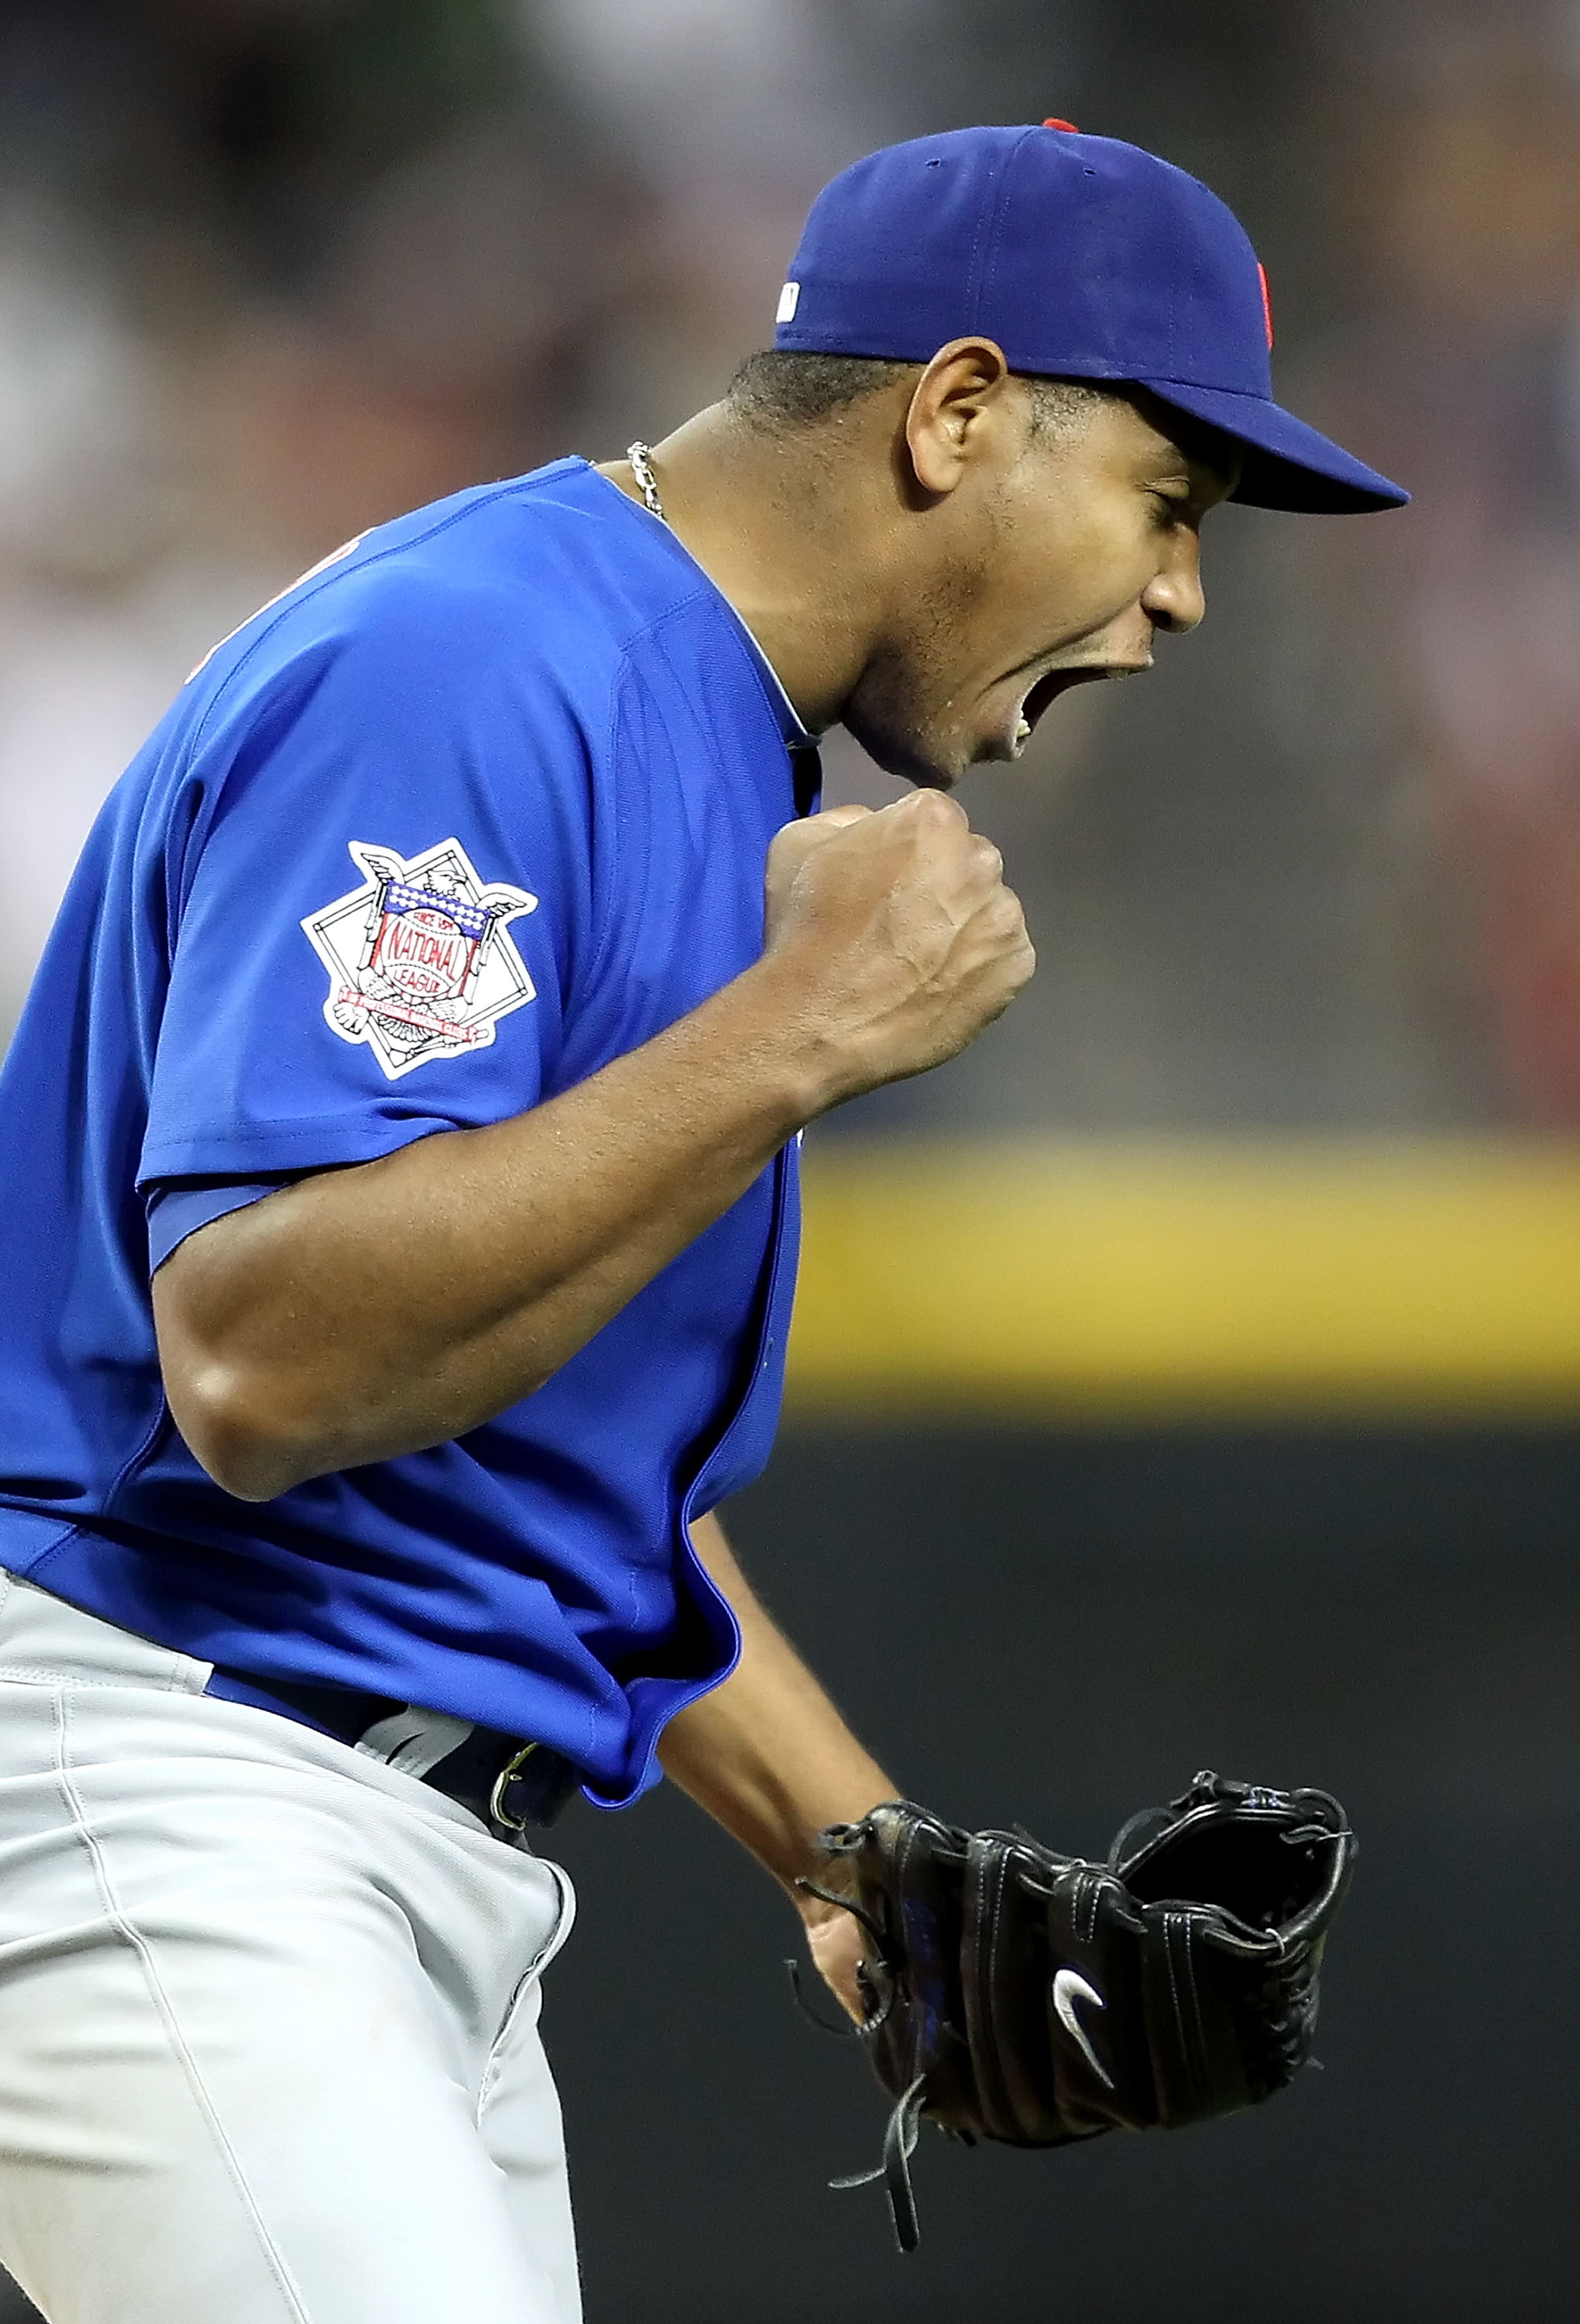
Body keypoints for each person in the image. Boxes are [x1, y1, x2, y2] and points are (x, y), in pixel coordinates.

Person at [0, 123, 1403, 2324]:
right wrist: (794, 1036)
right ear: (956, 414)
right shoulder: (480, 658)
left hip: (377, 1850)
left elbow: (514, 1438)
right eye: (1168, 502)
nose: (1183, 596)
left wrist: (856, 1851)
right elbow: (266, 1364)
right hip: (174, 1769)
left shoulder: (697, 721)